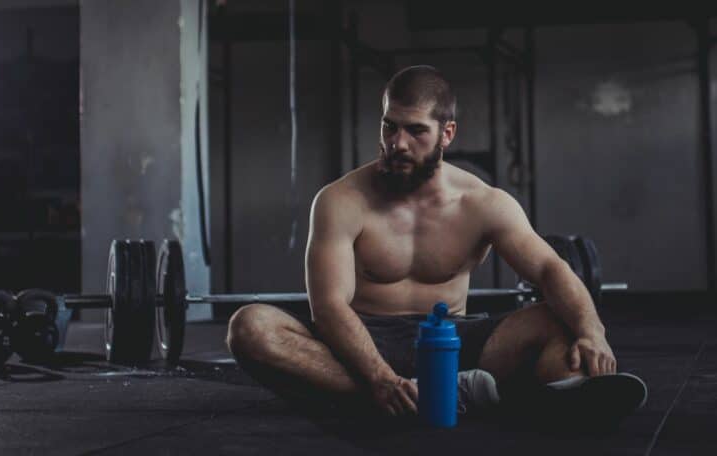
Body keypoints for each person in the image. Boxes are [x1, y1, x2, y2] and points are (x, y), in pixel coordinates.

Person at [226, 65, 646, 420]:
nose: (397, 143)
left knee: (560, 322)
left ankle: (562, 396)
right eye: (389, 126)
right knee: (250, 327)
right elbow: (330, 307)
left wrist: (594, 332)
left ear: (447, 134)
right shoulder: (340, 201)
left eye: (415, 131)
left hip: (454, 340)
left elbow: (550, 269)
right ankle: (438, 397)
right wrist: (378, 376)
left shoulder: (484, 203)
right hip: (362, 341)